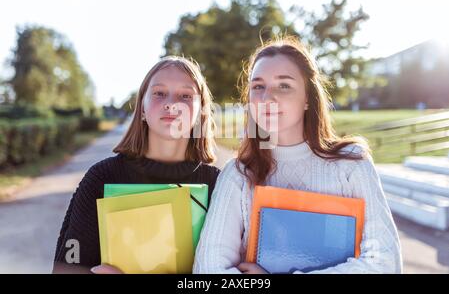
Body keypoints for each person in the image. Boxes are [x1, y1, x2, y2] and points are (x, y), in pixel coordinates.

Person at [193, 36, 402, 274]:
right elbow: (208, 269)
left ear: (307, 98)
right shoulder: (238, 174)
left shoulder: (351, 163)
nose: (267, 97)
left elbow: (385, 263)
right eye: (258, 86)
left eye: (284, 85)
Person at [53, 56, 220, 274]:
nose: (171, 103)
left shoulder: (219, 184)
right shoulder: (101, 177)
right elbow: (67, 268)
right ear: (142, 108)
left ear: (201, 112)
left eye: (186, 95)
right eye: (159, 93)